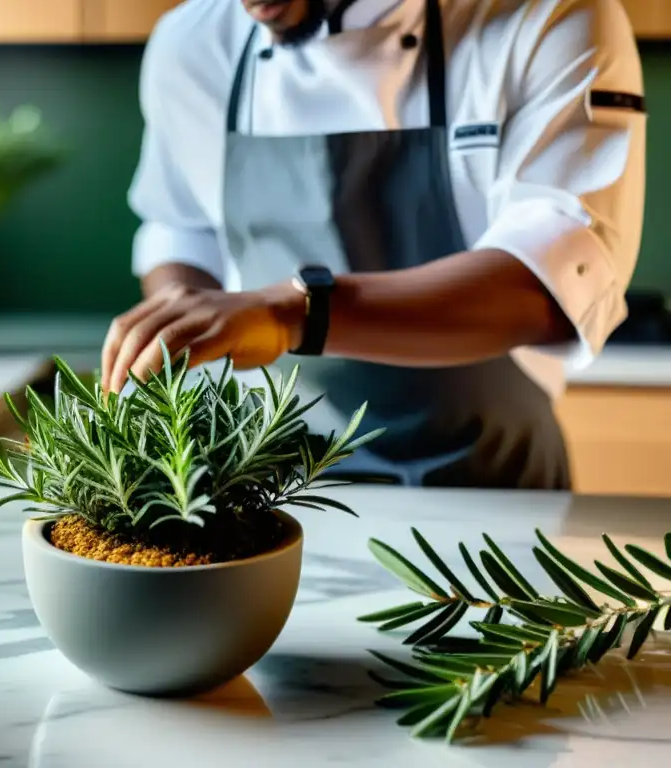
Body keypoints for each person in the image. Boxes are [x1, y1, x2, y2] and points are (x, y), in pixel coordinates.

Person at [100, 0, 646, 490]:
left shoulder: (548, 15)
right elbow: (183, 228)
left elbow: (550, 285)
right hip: (269, 490)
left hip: (493, 490)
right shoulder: (191, 41)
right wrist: (178, 335)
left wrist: (294, 314)